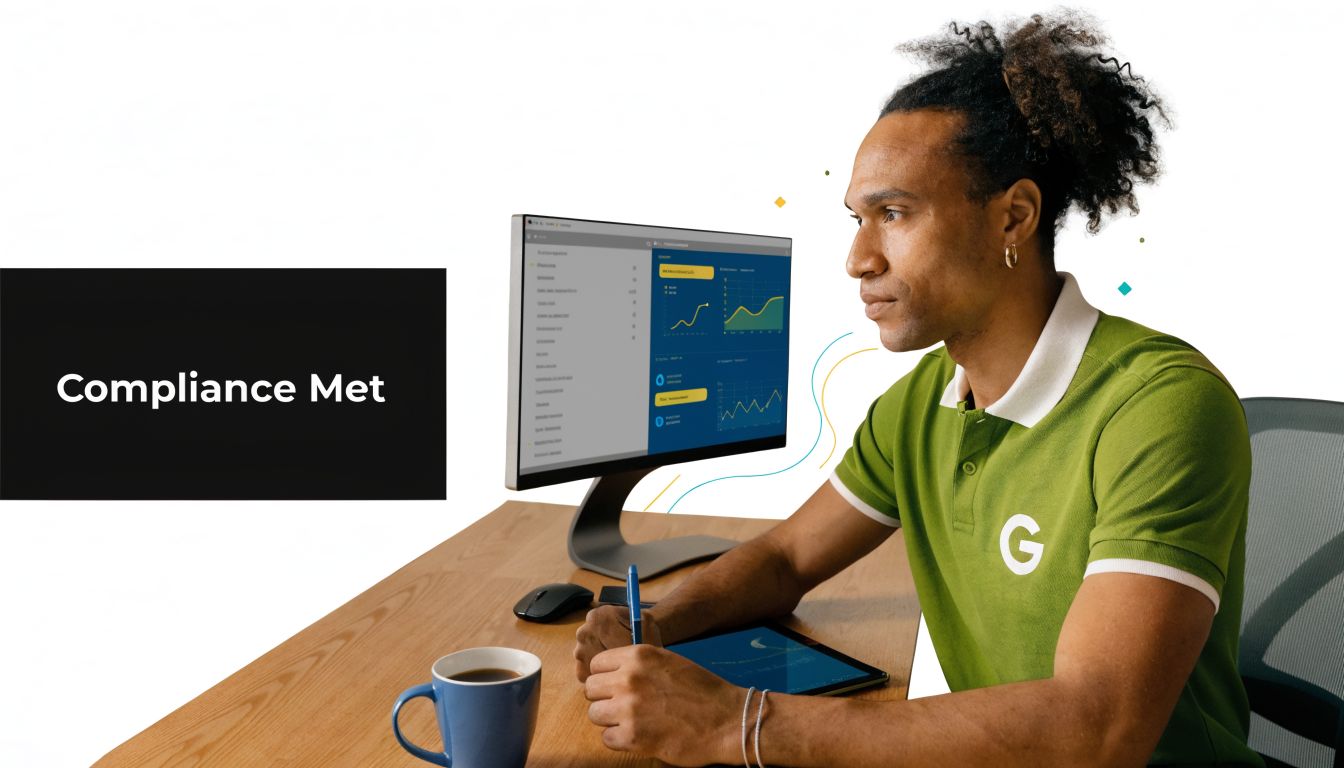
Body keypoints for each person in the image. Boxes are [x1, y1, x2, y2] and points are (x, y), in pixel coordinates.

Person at [574, 11, 1263, 767]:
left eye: (894, 214)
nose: (859, 259)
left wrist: (740, 724)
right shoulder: (924, 401)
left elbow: (1099, 728)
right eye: (857, 219)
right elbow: (785, 560)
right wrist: (657, 629)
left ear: (1014, 216)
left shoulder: (1161, 408)